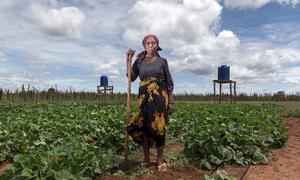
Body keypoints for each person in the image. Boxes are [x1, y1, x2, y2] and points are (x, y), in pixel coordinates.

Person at [126, 34, 174, 171]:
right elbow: (131, 77)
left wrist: (170, 103)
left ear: (157, 45)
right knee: (144, 127)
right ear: (144, 46)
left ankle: (159, 160)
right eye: (148, 43)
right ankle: (146, 159)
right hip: (143, 97)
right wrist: (128, 60)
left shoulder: (162, 61)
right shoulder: (139, 61)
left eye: (153, 43)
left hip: (159, 96)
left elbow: (169, 83)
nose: (151, 45)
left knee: (159, 127)